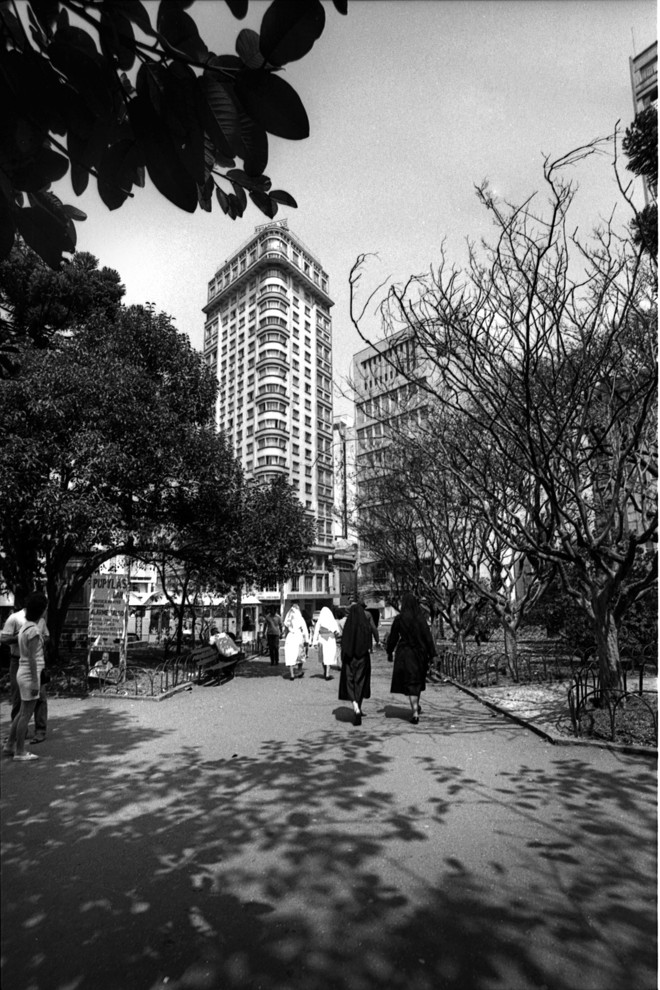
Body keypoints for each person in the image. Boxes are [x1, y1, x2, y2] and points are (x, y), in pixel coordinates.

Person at [3, 591, 49, 761]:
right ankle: (20, 750)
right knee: (25, 715)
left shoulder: (25, 627)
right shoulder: (34, 631)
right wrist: (36, 681)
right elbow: (32, 658)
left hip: (23, 672)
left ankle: (10, 745)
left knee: (21, 712)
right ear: (41, 610)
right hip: (30, 674)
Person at [386, 592, 437, 724]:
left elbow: (393, 637)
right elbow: (428, 638)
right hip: (420, 654)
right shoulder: (420, 619)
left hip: (405, 654)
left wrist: (389, 651)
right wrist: (433, 654)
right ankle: (415, 709)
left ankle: (415, 711)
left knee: (410, 682)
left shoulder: (399, 619)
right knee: (416, 682)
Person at [338, 601, 375, 725]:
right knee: (360, 682)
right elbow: (369, 642)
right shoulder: (365, 625)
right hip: (362, 658)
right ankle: (358, 707)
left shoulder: (349, 624)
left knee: (350, 682)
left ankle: (355, 706)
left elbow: (344, 643)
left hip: (349, 658)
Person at [312, 606, 340, 681]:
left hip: (321, 640)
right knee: (329, 656)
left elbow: (316, 632)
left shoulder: (319, 621)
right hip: (330, 639)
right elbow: (337, 631)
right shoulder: (332, 621)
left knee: (324, 657)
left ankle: (325, 672)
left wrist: (314, 642)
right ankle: (327, 673)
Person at [283, 603, 309, 681]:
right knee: (299, 655)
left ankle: (292, 674)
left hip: (290, 637)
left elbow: (286, 629)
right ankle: (300, 671)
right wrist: (307, 640)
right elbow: (305, 630)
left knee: (290, 655)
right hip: (298, 637)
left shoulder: (288, 619)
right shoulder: (300, 619)